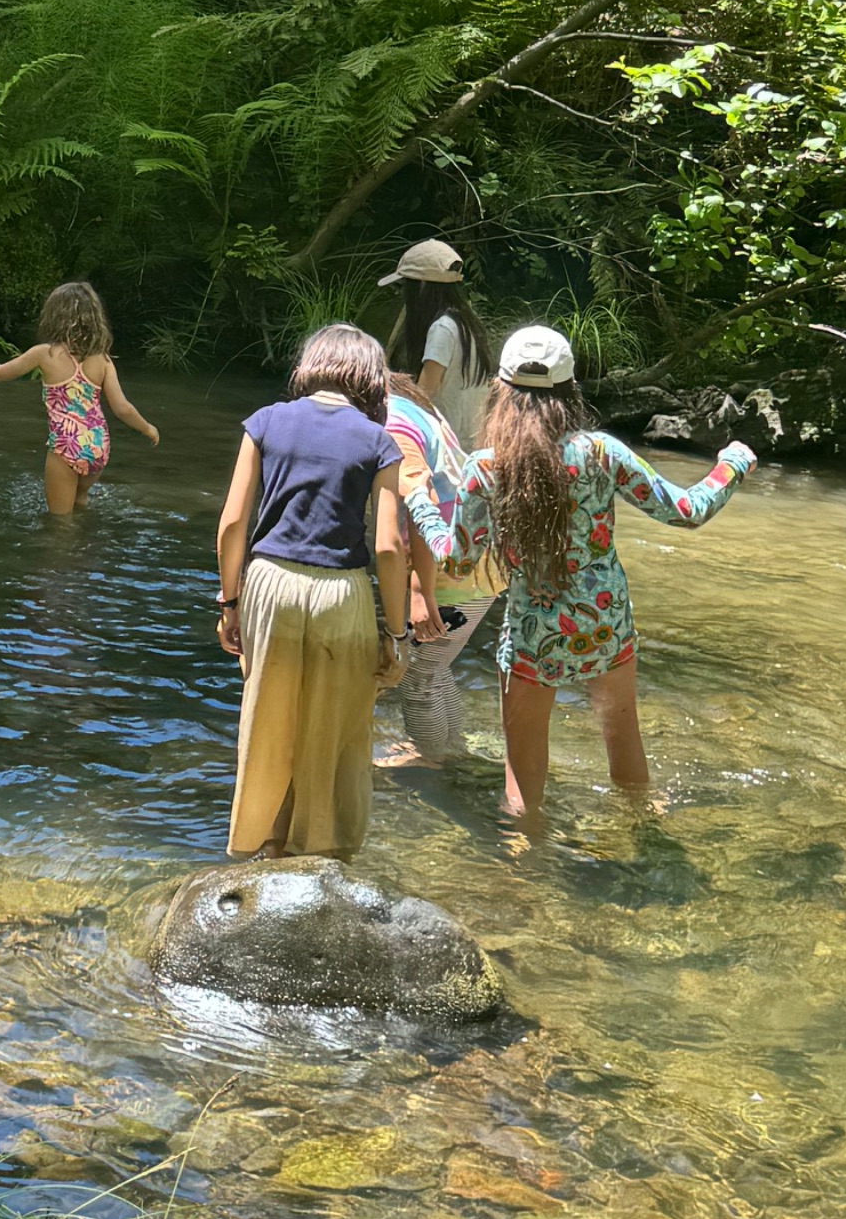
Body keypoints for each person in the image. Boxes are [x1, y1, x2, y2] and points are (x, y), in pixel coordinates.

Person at [400, 322, 756, 825]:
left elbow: (455, 560)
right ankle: (638, 844)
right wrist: (733, 463)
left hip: (533, 635)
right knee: (626, 755)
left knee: (523, 786)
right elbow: (687, 510)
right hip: (605, 625)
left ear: (500, 391)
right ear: (570, 391)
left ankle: (529, 872)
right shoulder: (600, 453)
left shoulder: (486, 467)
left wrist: (418, 499)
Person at [213, 322, 412, 860]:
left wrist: (228, 602)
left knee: (267, 724)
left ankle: (258, 844)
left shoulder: (266, 422)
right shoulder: (379, 442)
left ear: (310, 369)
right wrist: (396, 633)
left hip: (269, 584)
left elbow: (234, 524)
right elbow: (390, 547)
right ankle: (321, 852)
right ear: (369, 380)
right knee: (334, 729)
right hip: (341, 593)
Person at [0, 278, 160, 515]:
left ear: (55, 315)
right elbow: (122, 408)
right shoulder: (103, 360)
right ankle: (88, 548)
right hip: (97, 446)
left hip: (67, 446)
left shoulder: (45, 355)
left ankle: (66, 551)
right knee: (79, 503)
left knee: (60, 525)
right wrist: (147, 427)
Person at [383, 365, 480, 765]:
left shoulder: (392, 423)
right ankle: (453, 748)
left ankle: (430, 759)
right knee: (435, 668)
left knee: (415, 676)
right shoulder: (419, 408)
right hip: (477, 562)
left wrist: (421, 591)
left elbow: (418, 496)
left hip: (447, 571)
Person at [379, 238, 491, 447]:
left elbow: (423, 396)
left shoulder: (442, 329)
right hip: (472, 442)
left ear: (421, 286)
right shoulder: (466, 322)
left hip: (449, 449)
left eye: (407, 284)